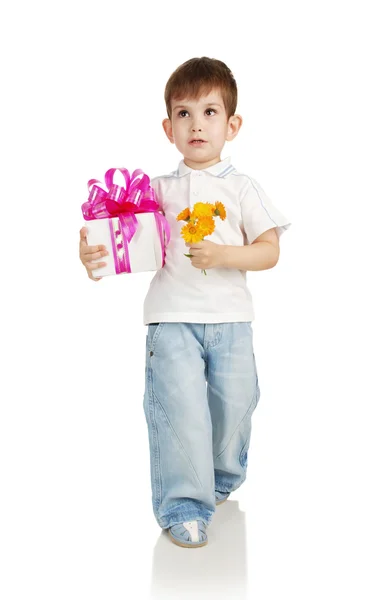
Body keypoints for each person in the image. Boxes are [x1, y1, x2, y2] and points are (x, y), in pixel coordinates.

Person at [79, 56, 292, 548]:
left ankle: (218, 479)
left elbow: (269, 251)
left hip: (232, 322)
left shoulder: (241, 188)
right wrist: (91, 252)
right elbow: (123, 242)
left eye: (211, 112)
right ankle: (183, 503)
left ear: (232, 124)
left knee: (234, 407)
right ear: (167, 127)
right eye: (184, 113)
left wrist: (222, 253)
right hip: (171, 320)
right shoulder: (155, 190)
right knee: (181, 411)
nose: (197, 124)